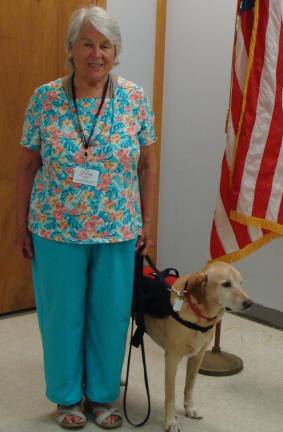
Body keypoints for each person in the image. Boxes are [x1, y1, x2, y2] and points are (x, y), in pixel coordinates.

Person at [15, 5, 157, 429]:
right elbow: (25, 166)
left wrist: (148, 223)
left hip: (117, 228)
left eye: (106, 45)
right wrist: (19, 225)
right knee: (62, 315)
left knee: (110, 313)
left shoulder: (133, 97)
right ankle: (66, 397)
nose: (97, 53)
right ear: (71, 49)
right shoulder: (45, 98)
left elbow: (148, 165)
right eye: (87, 44)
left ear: (116, 52)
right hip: (55, 229)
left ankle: (101, 395)